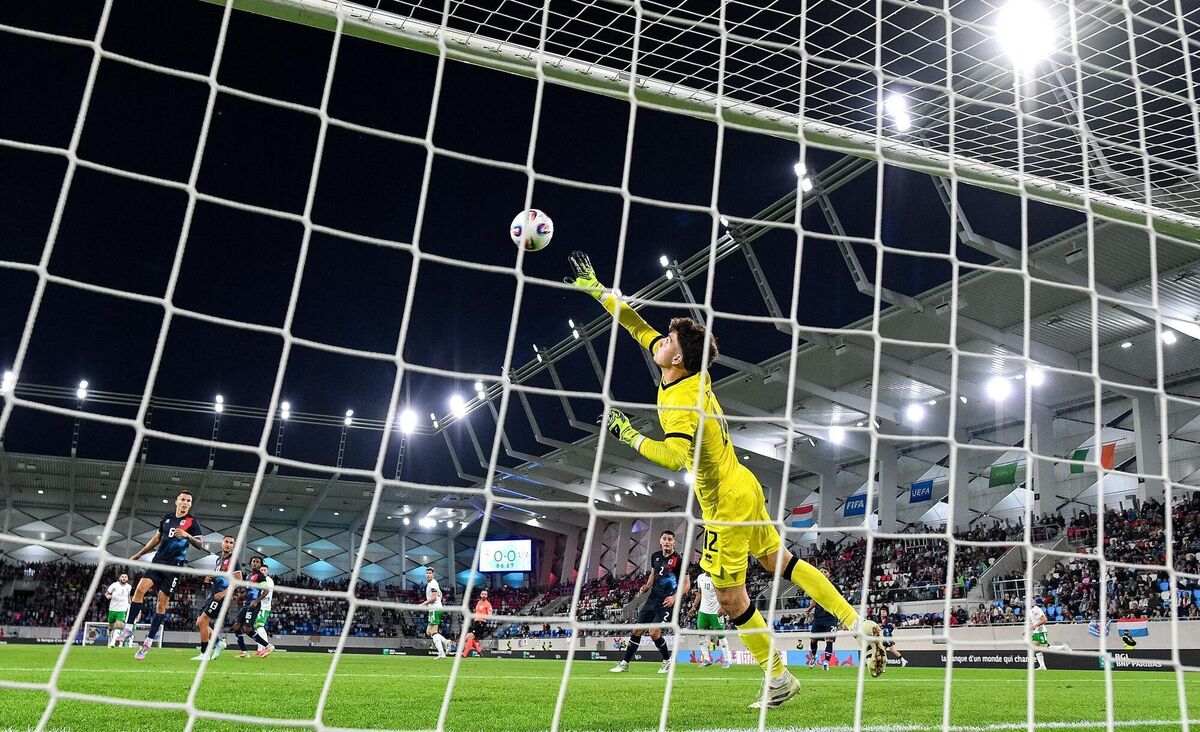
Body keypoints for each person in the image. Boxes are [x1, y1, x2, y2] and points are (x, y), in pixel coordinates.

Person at [567, 251, 885, 707]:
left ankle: (779, 678)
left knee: (730, 597)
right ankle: (855, 623)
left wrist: (629, 434)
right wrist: (597, 289)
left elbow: (674, 457)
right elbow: (636, 326)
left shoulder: (681, 404)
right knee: (780, 565)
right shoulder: (687, 372)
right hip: (744, 483)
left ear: (676, 354)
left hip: (725, 505)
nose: (657, 340)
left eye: (667, 338)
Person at [118, 490, 206, 660]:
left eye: (189, 500)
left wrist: (187, 535)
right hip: (158, 561)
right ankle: (128, 628)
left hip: (174, 568)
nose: (186, 503)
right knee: (139, 590)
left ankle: (147, 643)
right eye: (183, 499)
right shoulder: (167, 518)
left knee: (160, 604)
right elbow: (156, 539)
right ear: (177, 501)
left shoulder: (192, 522)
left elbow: (200, 545)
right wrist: (140, 553)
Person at [611, 530, 689, 675]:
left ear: (674, 543)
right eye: (664, 539)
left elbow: (686, 584)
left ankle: (667, 661)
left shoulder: (679, 559)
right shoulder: (655, 556)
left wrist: (674, 598)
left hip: (667, 602)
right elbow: (653, 574)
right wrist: (646, 586)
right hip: (652, 600)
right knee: (637, 630)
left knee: (654, 632)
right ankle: (624, 663)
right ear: (660, 541)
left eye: (670, 539)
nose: (667, 541)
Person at [192, 535, 240, 661]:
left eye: (231, 542)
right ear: (222, 543)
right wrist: (210, 578)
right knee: (199, 622)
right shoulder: (219, 560)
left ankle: (204, 653)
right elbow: (221, 577)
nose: (228, 544)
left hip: (220, 596)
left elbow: (238, 580)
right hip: (213, 594)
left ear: (233, 546)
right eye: (226, 542)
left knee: (203, 622)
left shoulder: (233, 560)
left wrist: (223, 594)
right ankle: (218, 643)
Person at [690, 571, 731, 669]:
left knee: (720, 634)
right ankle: (707, 659)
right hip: (703, 611)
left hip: (716, 611)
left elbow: (726, 594)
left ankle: (727, 660)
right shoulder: (700, 577)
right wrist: (694, 606)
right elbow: (699, 593)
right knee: (701, 634)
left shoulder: (719, 578)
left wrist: (723, 608)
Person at [802, 569, 839, 671]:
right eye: (821, 571)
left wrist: (834, 609)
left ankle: (826, 662)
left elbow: (840, 600)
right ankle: (814, 657)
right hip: (818, 617)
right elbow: (815, 600)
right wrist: (809, 609)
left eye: (825, 571)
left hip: (831, 617)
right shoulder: (816, 586)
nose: (823, 573)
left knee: (829, 639)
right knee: (813, 639)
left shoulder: (835, 587)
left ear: (829, 574)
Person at [230, 556, 266, 658]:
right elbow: (248, 592)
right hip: (247, 604)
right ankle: (244, 652)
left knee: (247, 629)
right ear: (250, 564)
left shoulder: (260, 576)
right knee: (236, 626)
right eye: (253, 561)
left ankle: (267, 646)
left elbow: (266, 591)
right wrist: (239, 597)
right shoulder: (249, 576)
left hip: (254, 605)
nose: (255, 563)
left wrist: (256, 601)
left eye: (257, 562)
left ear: (260, 565)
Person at [418, 567, 450, 659]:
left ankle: (441, 653)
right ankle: (445, 641)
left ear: (433, 574)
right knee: (428, 632)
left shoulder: (433, 584)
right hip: (433, 609)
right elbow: (440, 595)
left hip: (435, 609)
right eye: (427, 573)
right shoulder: (433, 584)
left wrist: (422, 604)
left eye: (430, 573)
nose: (428, 575)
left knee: (433, 631)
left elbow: (434, 598)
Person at [252, 564, 275, 657]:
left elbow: (267, 593)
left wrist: (257, 598)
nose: (263, 571)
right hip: (259, 606)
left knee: (259, 626)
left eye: (265, 570)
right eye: (262, 570)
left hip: (264, 606)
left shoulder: (269, 581)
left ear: (268, 571)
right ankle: (259, 649)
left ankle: (266, 648)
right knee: (255, 627)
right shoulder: (260, 580)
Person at [461, 589, 493, 657]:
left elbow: (490, 615)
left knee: (470, 637)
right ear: (480, 595)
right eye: (483, 594)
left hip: (481, 623)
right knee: (467, 637)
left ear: (487, 596)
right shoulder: (478, 602)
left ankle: (464, 654)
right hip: (475, 622)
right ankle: (479, 650)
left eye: (485, 594)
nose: (484, 595)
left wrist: (484, 617)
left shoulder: (488, 604)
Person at [104, 573, 132, 648]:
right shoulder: (114, 585)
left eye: (126, 577)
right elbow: (107, 593)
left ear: (127, 579)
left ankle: (113, 642)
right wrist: (108, 596)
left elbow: (128, 596)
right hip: (112, 609)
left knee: (119, 625)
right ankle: (110, 633)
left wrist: (130, 605)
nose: (124, 578)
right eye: (122, 577)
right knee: (111, 625)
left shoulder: (129, 587)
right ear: (119, 578)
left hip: (122, 609)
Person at [1030, 597, 1049, 670]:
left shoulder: (1037, 609)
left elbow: (1044, 620)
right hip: (1036, 632)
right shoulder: (1030, 611)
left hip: (1041, 631)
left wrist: (1036, 625)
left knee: (1046, 648)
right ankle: (1042, 666)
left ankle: (1063, 647)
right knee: (1034, 647)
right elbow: (1034, 623)